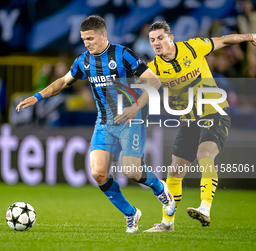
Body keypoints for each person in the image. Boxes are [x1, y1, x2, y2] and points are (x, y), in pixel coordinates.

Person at [16, 15, 176, 233]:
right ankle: (131, 214)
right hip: (104, 122)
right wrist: (38, 96)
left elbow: (154, 82)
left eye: (90, 38)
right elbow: (63, 81)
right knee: (98, 173)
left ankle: (160, 189)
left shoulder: (123, 54)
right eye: (84, 39)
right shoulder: (83, 61)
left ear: (103, 35)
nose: (86, 43)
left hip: (131, 119)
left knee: (131, 171)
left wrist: (135, 107)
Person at [144, 21, 256, 232]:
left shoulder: (193, 47)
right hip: (189, 120)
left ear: (171, 37)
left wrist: (249, 36)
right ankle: (167, 224)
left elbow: (223, 40)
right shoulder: (154, 69)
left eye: (160, 38)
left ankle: (205, 207)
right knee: (174, 172)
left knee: (205, 153)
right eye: (152, 40)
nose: (156, 43)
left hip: (215, 111)